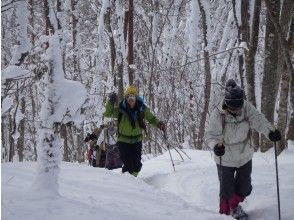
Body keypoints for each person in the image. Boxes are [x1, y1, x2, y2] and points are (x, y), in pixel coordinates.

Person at [204, 79, 281, 219]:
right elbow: (210, 135)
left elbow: (259, 120)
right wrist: (215, 146)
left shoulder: (246, 107)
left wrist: (270, 132)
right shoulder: (218, 114)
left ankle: (234, 205)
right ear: (227, 103)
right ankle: (229, 212)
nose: (236, 110)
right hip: (225, 156)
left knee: (245, 187)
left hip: (244, 154)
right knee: (226, 189)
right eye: (233, 108)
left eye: (238, 107)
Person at [103, 85, 166, 177]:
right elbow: (107, 113)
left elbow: (151, 118)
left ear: (136, 98)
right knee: (129, 165)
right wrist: (110, 102)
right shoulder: (121, 109)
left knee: (137, 166)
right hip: (123, 141)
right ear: (126, 98)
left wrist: (159, 124)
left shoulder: (142, 109)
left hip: (137, 141)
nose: (130, 99)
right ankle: (128, 183)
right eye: (128, 97)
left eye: (132, 96)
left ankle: (131, 181)